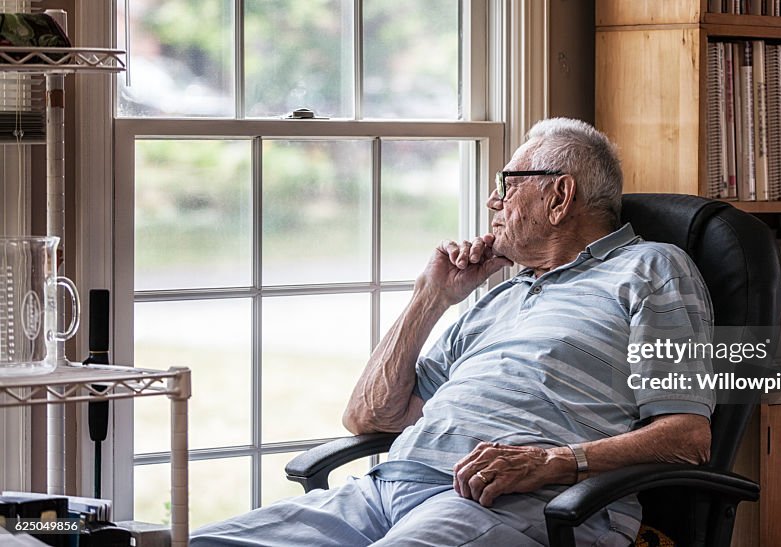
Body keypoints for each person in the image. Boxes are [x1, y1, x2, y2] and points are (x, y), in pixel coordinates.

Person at [191, 118, 715, 546]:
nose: (491, 204)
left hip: (513, 504)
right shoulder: (499, 297)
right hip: (383, 491)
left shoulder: (651, 269)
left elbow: (688, 438)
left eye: (505, 187)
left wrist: (551, 461)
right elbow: (371, 416)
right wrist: (432, 296)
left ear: (560, 196)